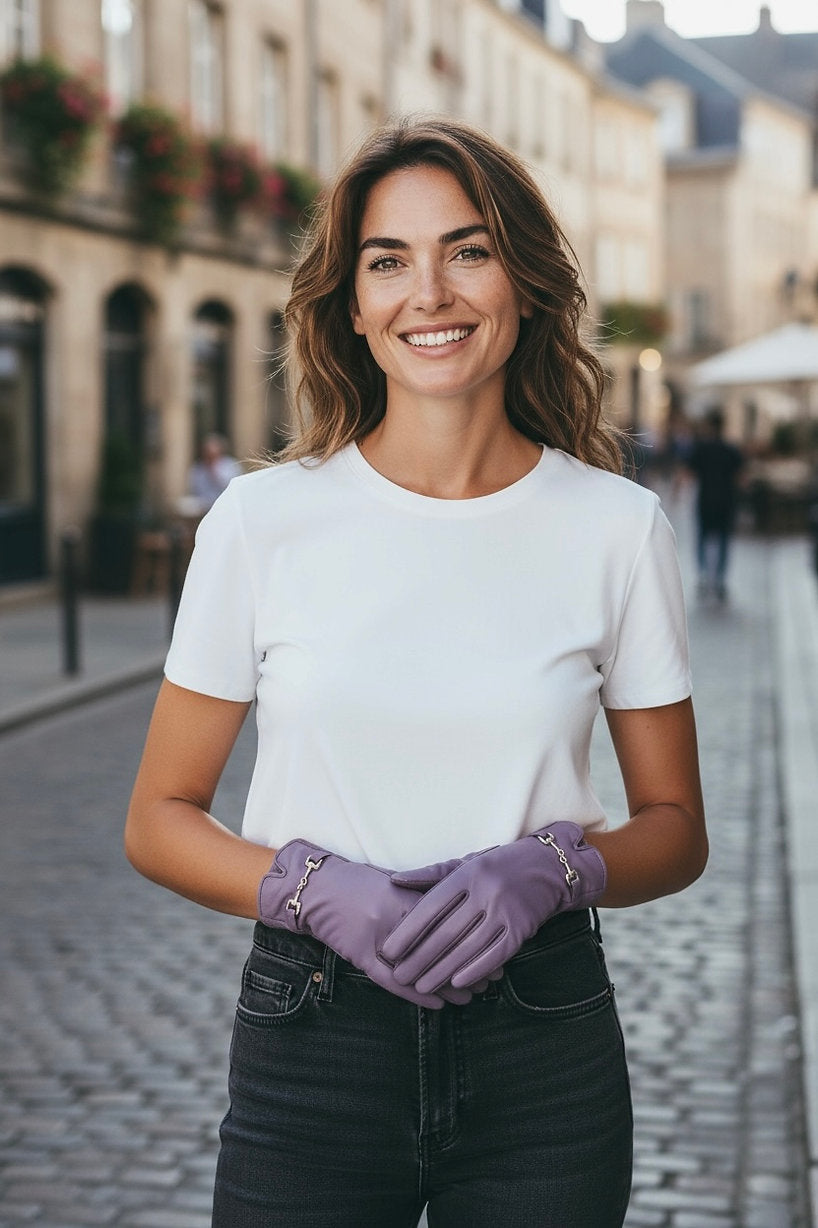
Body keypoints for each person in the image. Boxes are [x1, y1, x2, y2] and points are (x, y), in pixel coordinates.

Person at [125, 117, 707, 1228]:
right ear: (351, 303)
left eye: (467, 250)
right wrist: (304, 888)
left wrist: (553, 869)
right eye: (387, 260)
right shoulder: (261, 523)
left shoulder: (616, 529)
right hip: (312, 1041)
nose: (427, 291)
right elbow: (158, 817)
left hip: (545, 1041)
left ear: (523, 282)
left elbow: (675, 826)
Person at [686, 407, 744, 600]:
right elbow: (741, 477)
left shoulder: (702, 448)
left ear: (710, 426)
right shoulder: (731, 449)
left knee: (702, 538)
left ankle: (703, 575)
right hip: (726, 501)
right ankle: (719, 579)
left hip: (705, 500)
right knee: (724, 540)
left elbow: (688, 472)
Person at [186, 432, 242, 512]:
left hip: (225, 506)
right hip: (203, 507)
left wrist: (214, 471)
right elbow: (194, 489)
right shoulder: (198, 468)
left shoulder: (230, 465)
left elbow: (230, 487)